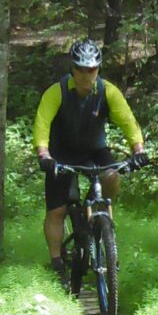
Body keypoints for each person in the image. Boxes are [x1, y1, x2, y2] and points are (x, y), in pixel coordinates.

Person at [33, 39, 144, 284]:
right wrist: (44, 155)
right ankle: (57, 263)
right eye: (81, 69)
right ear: (72, 69)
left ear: (98, 69)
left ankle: (101, 223)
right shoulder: (56, 92)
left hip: (94, 151)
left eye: (91, 69)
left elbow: (128, 121)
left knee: (112, 176)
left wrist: (138, 150)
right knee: (57, 211)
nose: (86, 75)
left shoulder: (108, 92)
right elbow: (42, 124)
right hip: (61, 153)